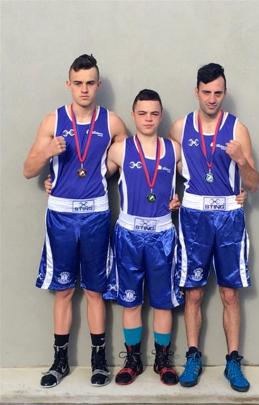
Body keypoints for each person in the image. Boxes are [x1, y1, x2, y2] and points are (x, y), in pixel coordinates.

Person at [23, 54, 127, 388]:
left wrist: (103, 172)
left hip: (96, 214)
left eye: (90, 83)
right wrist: (47, 154)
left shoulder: (111, 122)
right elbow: (28, 169)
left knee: (96, 291)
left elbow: (129, 156)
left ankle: (98, 362)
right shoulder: (52, 121)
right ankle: (60, 362)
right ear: (69, 84)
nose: (84, 89)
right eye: (78, 83)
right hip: (61, 216)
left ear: (98, 85)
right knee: (64, 291)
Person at [169, 63, 259, 391]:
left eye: (218, 92)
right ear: (196, 91)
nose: (211, 98)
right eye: (206, 92)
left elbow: (254, 182)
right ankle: (193, 355)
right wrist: (170, 199)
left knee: (229, 293)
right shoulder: (180, 127)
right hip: (193, 218)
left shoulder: (238, 130)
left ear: (225, 92)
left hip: (228, 218)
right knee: (192, 292)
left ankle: (233, 360)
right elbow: (163, 165)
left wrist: (241, 161)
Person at [104, 89, 183, 386]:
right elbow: (91, 179)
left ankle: (163, 361)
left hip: (162, 234)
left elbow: (201, 178)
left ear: (160, 115)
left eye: (154, 113)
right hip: (129, 235)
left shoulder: (174, 149)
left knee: (163, 303)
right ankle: (133, 360)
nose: (148, 118)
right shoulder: (120, 149)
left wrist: (236, 191)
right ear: (133, 114)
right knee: (131, 302)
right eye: (142, 113)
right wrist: (54, 182)